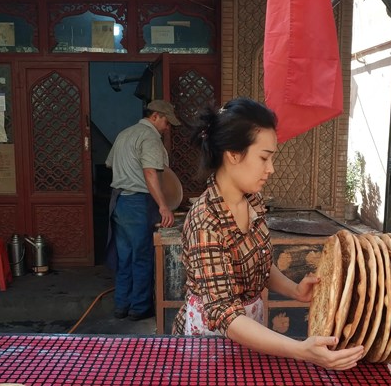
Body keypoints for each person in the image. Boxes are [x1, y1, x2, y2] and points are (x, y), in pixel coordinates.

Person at [172, 98, 364, 370]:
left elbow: (259, 262)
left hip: (252, 330)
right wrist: (300, 350)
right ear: (233, 154)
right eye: (264, 157)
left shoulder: (253, 201)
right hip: (211, 342)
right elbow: (225, 314)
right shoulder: (205, 222)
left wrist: (295, 290)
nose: (270, 168)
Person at [105, 100, 180, 321]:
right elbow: (150, 173)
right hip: (138, 202)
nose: (167, 128)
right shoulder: (150, 137)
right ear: (155, 116)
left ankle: (122, 305)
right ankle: (139, 308)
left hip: (119, 201)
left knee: (125, 256)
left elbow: (110, 163)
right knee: (142, 256)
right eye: (166, 122)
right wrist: (163, 206)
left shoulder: (124, 134)